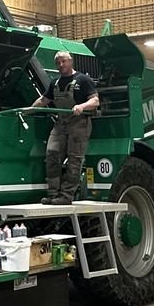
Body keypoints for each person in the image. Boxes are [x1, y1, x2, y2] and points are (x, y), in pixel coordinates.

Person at [32, 50, 99, 205]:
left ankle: (66, 196)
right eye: (58, 63)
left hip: (79, 124)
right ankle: (53, 193)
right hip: (61, 123)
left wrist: (81, 106)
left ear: (71, 61)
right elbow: (43, 100)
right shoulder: (54, 83)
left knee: (74, 160)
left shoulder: (83, 80)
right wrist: (28, 110)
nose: (61, 65)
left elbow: (95, 101)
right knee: (52, 153)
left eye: (63, 61)